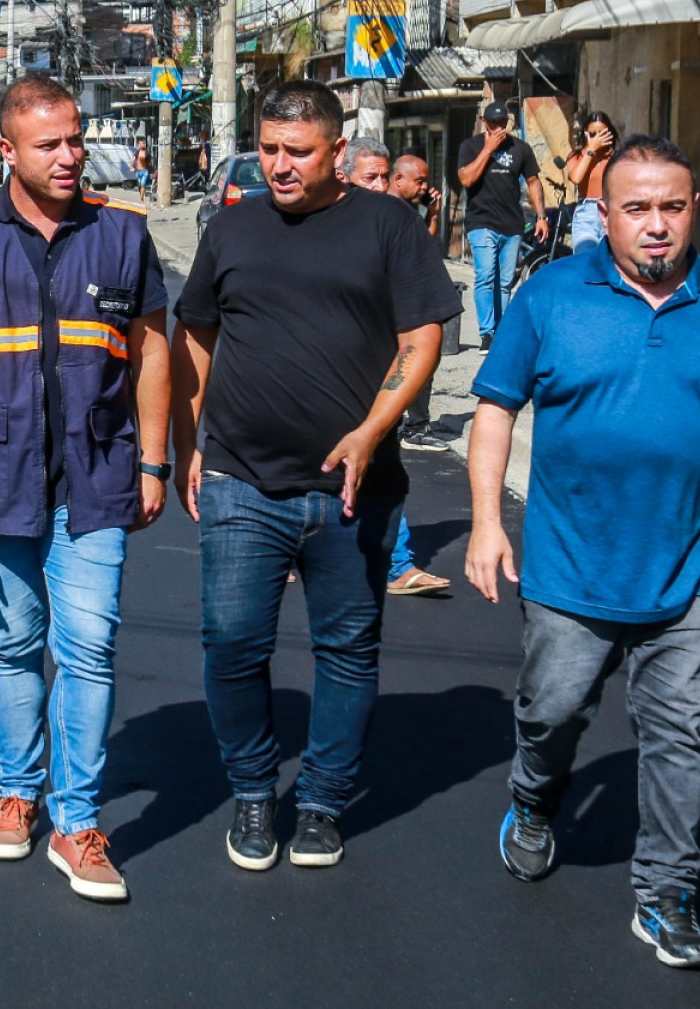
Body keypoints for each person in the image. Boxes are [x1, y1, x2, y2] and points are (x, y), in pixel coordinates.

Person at [466, 134, 700, 971]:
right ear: (603, 214)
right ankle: (534, 801)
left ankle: (666, 894)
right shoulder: (550, 295)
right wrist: (485, 522)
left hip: (690, 566)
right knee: (553, 713)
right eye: (637, 208)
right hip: (571, 567)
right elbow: (497, 411)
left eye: (673, 207)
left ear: (697, 211)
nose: (657, 225)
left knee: (681, 730)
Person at [171, 81, 461, 873]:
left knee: (346, 646)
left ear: (337, 150)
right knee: (231, 644)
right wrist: (188, 440)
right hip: (238, 477)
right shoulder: (229, 227)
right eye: (268, 149)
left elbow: (421, 336)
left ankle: (325, 800)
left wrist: (373, 428)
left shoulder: (388, 224)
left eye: (297, 152)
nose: (279, 165)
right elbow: (193, 331)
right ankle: (255, 791)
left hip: (352, 489)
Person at [0, 75, 168, 904]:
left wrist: (154, 461)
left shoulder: (122, 235)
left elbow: (156, 353)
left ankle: (77, 818)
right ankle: (18, 792)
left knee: (88, 645)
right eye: (50, 143)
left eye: (76, 139)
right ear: (7, 151)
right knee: (14, 645)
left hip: (97, 475)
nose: (69, 155)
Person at [339, 139, 451, 595]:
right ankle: (283, 544)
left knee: (377, 459)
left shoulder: (395, 221)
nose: (381, 186)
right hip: (321, 373)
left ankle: (396, 563)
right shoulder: (321, 225)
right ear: (343, 176)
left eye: (385, 177)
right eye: (371, 177)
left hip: (378, 371)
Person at [456, 101, 547, 349]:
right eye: (493, 123)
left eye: (502, 123)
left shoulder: (521, 149)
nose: (498, 128)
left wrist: (541, 216)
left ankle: (500, 330)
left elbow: (533, 181)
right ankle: (487, 333)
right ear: (484, 122)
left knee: (504, 282)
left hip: (511, 224)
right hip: (481, 221)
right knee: (486, 275)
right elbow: (466, 179)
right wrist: (488, 149)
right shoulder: (471, 146)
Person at [563, 111, 619, 254]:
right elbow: (576, 178)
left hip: (611, 212)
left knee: (610, 263)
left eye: (601, 134)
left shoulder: (617, 158)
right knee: (585, 261)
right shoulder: (577, 156)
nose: (597, 139)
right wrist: (590, 150)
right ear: (586, 134)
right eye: (593, 134)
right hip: (586, 215)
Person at [391, 149, 441, 241]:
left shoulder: (408, 207)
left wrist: (433, 215)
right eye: (420, 181)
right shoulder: (392, 210)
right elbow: (423, 245)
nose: (425, 187)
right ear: (399, 179)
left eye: (426, 181)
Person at [133, 135, 153, 203]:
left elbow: (149, 162)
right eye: (141, 143)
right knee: (139, 185)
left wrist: (150, 166)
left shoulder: (147, 153)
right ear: (138, 144)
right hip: (138, 171)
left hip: (145, 171)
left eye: (144, 143)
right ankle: (141, 196)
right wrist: (131, 167)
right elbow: (133, 160)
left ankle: (141, 197)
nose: (142, 145)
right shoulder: (137, 152)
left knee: (143, 184)